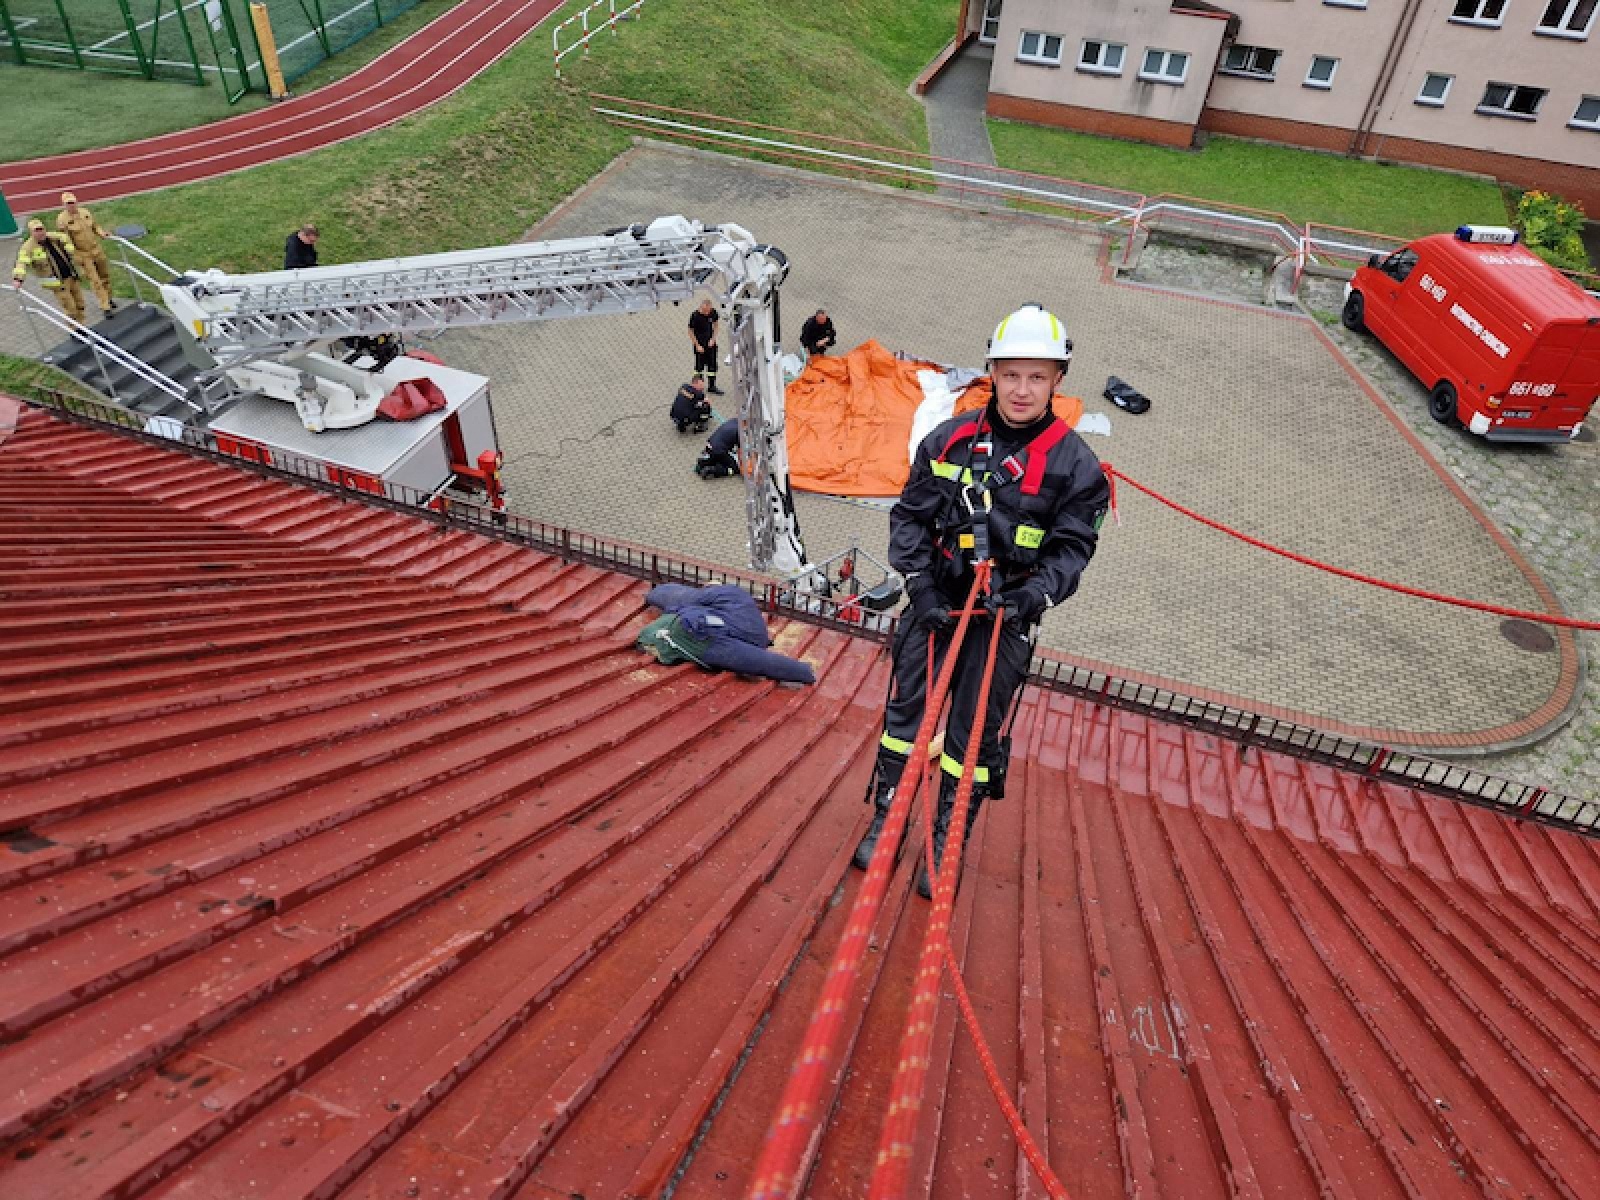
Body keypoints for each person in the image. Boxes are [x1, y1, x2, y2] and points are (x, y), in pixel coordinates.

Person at [852, 304, 1109, 898]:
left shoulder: (1077, 468)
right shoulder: (950, 440)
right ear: (992, 370)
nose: (1022, 389)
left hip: (1003, 616)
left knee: (972, 738)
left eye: (1037, 377)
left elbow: (1071, 550)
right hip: (936, 600)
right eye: (1012, 374)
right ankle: (886, 816)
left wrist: (1030, 597)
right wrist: (918, 585)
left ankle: (946, 838)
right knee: (906, 719)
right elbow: (910, 518)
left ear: (1058, 381)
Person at [11, 219, 86, 324]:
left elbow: (64, 237)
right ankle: (75, 330)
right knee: (70, 308)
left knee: (80, 303)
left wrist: (69, 248)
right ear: (31, 233)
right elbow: (21, 263)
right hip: (58, 283)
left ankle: (82, 325)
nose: (40, 232)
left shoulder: (52, 238)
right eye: (36, 231)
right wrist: (18, 279)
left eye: (41, 229)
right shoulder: (27, 248)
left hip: (70, 276)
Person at [55, 192, 115, 315]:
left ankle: (108, 298)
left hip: (96, 250)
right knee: (95, 280)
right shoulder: (62, 220)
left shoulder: (85, 212)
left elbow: (94, 226)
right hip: (83, 254)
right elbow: (65, 239)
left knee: (105, 276)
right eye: (68, 203)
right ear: (64, 205)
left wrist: (102, 233)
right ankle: (105, 306)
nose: (72, 205)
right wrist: (75, 255)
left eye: (73, 202)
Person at [688, 298, 722, 394]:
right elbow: (690, 331)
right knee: (699, 368)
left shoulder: (713, 313)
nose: (707, 313)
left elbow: (716, 326)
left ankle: (712, 386)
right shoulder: (695, 316)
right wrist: (697, 345)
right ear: (701, 307)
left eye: (708, 311)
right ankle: (697, 388)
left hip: (710, 345)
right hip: (700, 345)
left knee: (712, 366)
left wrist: (713, 339)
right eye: (705, 311)